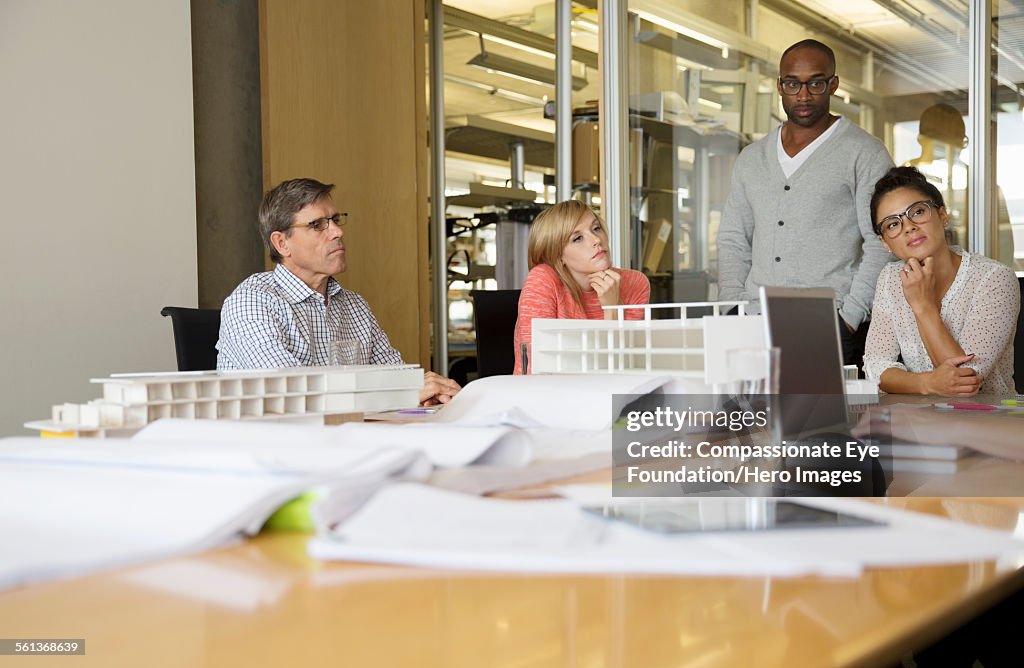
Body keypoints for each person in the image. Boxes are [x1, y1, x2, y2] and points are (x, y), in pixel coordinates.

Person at [717, 39, 894, 370]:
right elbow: (732, 237)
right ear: (780, 86)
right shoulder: (752, 158)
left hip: (828, 321)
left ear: (833, 84)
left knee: (824, 421)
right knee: (751, 419)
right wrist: (731, 307)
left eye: (815, 82)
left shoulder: (864, 153)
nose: (803, 94)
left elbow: (881, 242)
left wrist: (851, 316)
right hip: (753, 321)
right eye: (792, 84)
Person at [217, 177, 460, 405]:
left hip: (346, 439)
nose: (337, 232)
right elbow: (293, 397)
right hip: (275, 446)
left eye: (335, 220)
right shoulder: (251, 302)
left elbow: (393, 377)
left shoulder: (354, 306)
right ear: (282, 243)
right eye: (317, 225)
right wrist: (403, 393)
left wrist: (423, 392)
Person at [863, 166, 1018, 395]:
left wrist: (922, 305)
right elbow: (876, 367)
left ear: (942, 216)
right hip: (919, 421)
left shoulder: (993, 279)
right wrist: (927, 384)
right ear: (885, 243)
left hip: (986, 421)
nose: (909, 227)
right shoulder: (890, 279)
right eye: (893, 224)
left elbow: (967, 381)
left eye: (917, 212)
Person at [513, 200, 650, 374]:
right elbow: (538, 369)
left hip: (608, 393)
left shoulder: (634, 283)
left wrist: (611, 309)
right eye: (577, 238)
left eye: (596, 228)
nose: (596, 240)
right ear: (557, 256)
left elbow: (625, 366)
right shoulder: (543, 280)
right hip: (547, 394)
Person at [906, 102, 1016, 269]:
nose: (951, 151)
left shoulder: (982, 186)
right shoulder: (901, 185)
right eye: (945, 143)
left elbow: (1004, 247)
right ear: (922, 140)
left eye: (958, 141)